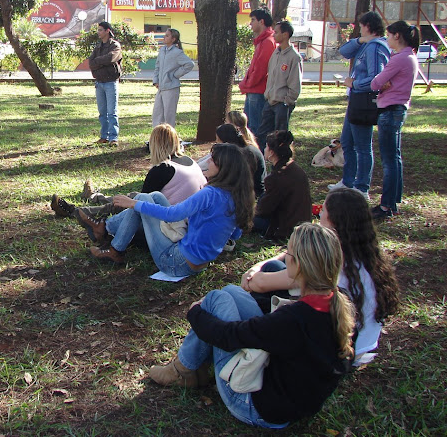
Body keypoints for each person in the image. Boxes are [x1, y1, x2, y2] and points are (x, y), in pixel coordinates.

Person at [148, 223, 355, 429]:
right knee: (232, 291)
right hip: (290, 397)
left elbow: (228, 336)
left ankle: (182, 370)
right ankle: (197, 369)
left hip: (256, 408)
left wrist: (195, 313)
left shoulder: (294, 319)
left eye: (288, 253)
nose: (285, 256)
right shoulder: (335, 303)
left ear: (299, 265)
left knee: (215, 300)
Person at [242, 188, 400, 361]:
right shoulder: (365, 254)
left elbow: (260, 283)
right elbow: (288, 254)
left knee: (265, 277)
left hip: (340, 350)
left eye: (323, 210)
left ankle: (245, 331)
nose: (319, 215)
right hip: (363, 345)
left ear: (333, 220)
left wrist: (254, 270)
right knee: (275, 265)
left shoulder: (326, 261)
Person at [82, 143, 253, 275]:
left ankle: (114, 248)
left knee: (141, 199)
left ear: (224, 168)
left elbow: (173, 215)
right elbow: (235, 234)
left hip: (176, 263)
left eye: (213, 160)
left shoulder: (210, 194)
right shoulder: (237, 196)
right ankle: (104, 229)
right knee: (156, 196)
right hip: (199, 263)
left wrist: (133, 203)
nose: (207, 161)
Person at [51, 124, 205, 222]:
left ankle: (75, 211)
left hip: (172, 220)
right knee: (131, 195)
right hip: (190, 216)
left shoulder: (162, 169)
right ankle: (95, 197)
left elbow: (141, 203)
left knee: (123, 204)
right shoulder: (189, 161)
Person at [329, 11, 390, 199]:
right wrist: (360, 41)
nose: (359, 30)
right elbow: (344, 51)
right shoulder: (366, 45)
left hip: (364, 101)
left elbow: (376, 77)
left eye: (361, 26)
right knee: (347, 141)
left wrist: (354, 83)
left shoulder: (376, 48)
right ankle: (347, 181)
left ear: (368, 26)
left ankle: (362, 187)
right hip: (355, 100)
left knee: (363, 146)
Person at [369, 20, 419, 220]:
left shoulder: (399, 58)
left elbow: (375, 83)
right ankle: (393, 202)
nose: (387, 39)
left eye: (389, 36)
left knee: (389, 161)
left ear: (397, 36)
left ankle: (386, 205)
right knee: (395, 158)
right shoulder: (409, 56)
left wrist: (383, 83)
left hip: (390, 111)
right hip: (397, 109)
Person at [253, 130, 312, 240]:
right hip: (302, 220)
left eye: (266, 147)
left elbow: (264, 209)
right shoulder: (293, 167)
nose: (264, 149)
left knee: (243, 220)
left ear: (271, 152)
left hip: (286, 226)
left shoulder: (277, 176)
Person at [256, 20, 302, 151]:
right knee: (263, 132)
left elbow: (295, 82)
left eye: (276, 32)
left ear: (285, 34)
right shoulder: (275, 53)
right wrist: (268, 94)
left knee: (280, 135)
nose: (274, 35)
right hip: (270, 100)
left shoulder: (294, 57)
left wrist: (287, 101)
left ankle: (280, 158)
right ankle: (263, 156)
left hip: (282, 103)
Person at [197, 124, 265, 198]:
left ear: (226, 143)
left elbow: (234, 180)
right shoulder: (244, 148)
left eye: (218, 141)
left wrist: (212, 177)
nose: (217, 144)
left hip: (251, 194)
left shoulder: (245, 154)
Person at [238, 8, 277, 134]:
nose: (251, 23)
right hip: (253, 90)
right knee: (248, 127)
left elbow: (261, 69)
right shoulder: (262, 41)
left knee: (255, 128)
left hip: (258, 91)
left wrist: (247, 84)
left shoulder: (268, 41)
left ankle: (257, 152)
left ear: (261, 21)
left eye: (253, 20)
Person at [88, 21, 122, 146]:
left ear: (107, 31)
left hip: (110, 82)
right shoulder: (98, 47)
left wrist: (98, 62)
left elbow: (111, 58)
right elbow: (91, 62)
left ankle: (114, 137)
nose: (99, 32)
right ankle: (104, 136)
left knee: (111, 112)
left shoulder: (115, 45)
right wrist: (100, 62)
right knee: (102, 112)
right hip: (99, 82)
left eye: (101, 30)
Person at [152, 29, 194, 128]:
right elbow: (157, 66)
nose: (164, 37)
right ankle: (157, 137)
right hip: (161, 87)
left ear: (173, 39)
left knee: (168, 115)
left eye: (167, 36)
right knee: (157, 114)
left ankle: (169, 138)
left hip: (171, 87)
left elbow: (189, 64)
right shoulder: (162, 50)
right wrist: (156, 80)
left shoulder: (177, 53)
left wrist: (175, 74)